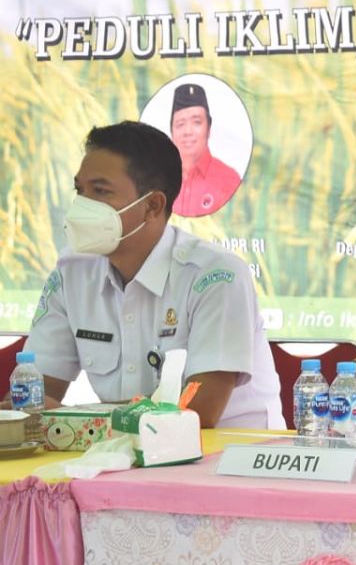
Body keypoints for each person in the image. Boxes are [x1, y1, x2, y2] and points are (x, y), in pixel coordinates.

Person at [25, 121, 284, 429]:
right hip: (118, 458)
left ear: (152, 205)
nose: (83, 205)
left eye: (101, 191)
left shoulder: (216, 276)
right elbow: (32, 396)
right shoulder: (72, 273)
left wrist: (74, 418)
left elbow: (199, 414)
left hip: (225, 463)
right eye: (80, 190)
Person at [171, 82, 242, 217]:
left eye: (197, 122)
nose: (188, 131)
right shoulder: (158, 179)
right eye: (180, 124)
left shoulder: (229, 180)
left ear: (208, 129)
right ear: (172, 132)